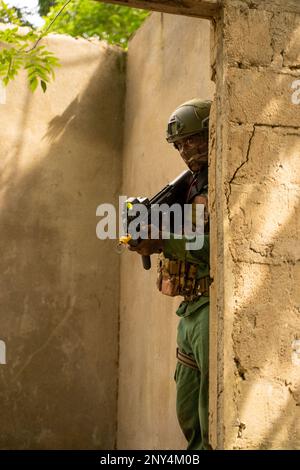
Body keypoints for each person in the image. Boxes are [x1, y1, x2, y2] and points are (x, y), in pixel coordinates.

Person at [129, 99, 211, 450]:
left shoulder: (221, 180)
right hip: (188, 310)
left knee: (210, 418)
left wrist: (162, 240)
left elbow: (214, 247)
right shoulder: (191, 184)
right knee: (187, 412)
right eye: (179, 144)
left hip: (210, 305)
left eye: (192, 140)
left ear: (211, 133)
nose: (184, 150)